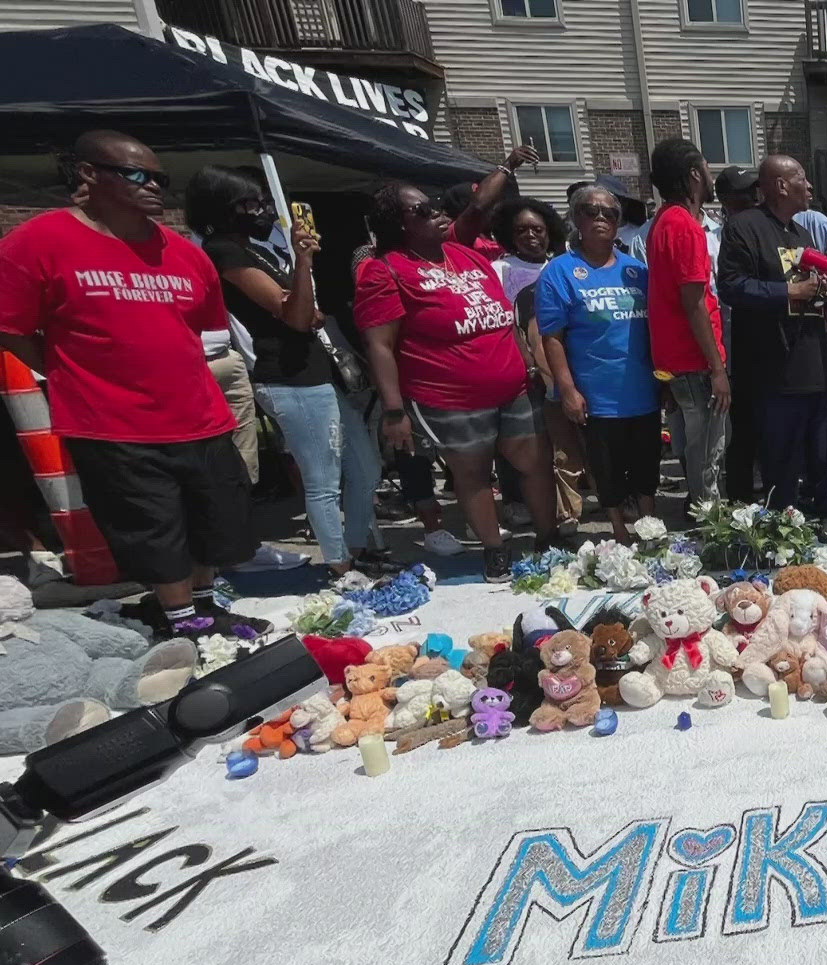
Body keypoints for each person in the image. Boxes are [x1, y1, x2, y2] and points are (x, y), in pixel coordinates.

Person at [0, 131, 262, 636]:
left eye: (161, 179)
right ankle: (182, 620)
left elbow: (204, 331)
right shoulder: (39, 242)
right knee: (155, 532)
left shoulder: (186, 254)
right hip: (114, 425)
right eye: (137, 175)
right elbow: (10, 328)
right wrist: (66, 368)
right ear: (89, 174)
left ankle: (206, 607)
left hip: (199, 416)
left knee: (215, 524)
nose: (154, 188)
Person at [185, 165, 395, 581]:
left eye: (262, 201)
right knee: (323, 479)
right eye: (250, 203)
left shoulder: (255, 248)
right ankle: (340, 566)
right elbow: (297, 317)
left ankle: (354, 550)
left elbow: (304, 310)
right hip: (287, 377)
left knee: (366, 466)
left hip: (315, 370)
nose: (261, 210)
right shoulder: (225, 250)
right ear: (223, 208)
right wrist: (302, 261)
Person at [355, 148, 554, 583]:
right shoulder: (384, 271)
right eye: (422, 211)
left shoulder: (461, 251)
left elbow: (479, 205)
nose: (438, 214)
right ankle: (494, 549)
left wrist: (507, 166)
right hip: (451, 398)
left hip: (513, 386)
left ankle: (548, 539)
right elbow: (380, 346)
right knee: (473, 473)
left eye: (437, 205)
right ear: (399, 224)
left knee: (536, 462)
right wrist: (394, 411)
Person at [718, 154, 827, 515]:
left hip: (814, 360)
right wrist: (789, 292)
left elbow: (807, 286)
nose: (810, 187)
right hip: (774, 368)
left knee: (824, 448)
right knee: (782, 458)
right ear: (781, 185)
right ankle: (784, 529)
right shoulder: (744, 227)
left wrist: (824, 290)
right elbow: (731, 286)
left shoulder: (801, 233)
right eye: (802, 178)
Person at [536, 185, 658, 540]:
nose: (601, 218)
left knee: (647, 465)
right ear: (576, 219)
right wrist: (568, 389)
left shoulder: (637, 271)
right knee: (607, 469)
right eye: (591, 211)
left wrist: (663, 382)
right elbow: (552, 338)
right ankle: (619, 530)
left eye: (609, 213)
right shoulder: (559, 272)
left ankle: (649, 529)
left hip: (642, 389)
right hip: (597, 394)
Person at [488, 195, 585, 534]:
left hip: (560, 367)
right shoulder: (499, 270)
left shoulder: (561, 265)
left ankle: (566, 507)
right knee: (522, 441)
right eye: (522, 230)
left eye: (538, 229)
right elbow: (501, 321)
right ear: (509, 234)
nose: (531, 236)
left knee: (562, 442)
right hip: (517, 369)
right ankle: (516, 502)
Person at [645, 138, 732, 510]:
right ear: (695, 175)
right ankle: (712, 526)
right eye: (708, 168)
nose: (711, 177)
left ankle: (704, 513)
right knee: (707, 450)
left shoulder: (662, 221)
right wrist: (717, 368)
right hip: (695, 359)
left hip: (677, 358)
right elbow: (694, 301)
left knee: (696, 444)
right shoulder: (684, 225)